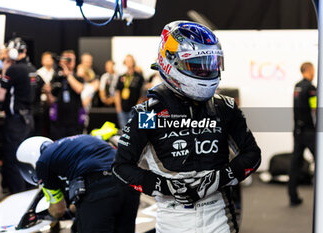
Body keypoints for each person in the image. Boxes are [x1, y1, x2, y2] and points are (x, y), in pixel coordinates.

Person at [112, 21, 261, 233]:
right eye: (197, 65)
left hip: (219, 217)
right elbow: (122, 166)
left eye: (210, 63)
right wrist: (165, 186)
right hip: (172, 220)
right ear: (169, 63)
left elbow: (252, 155)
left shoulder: (225, 108)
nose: (206, 70)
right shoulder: (148, 114)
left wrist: (218, 179)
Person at [16, 134, 140, 233]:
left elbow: (58, 210)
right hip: (130, 185)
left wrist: (42, 216)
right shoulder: (75, 145)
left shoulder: (43, 163)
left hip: (101, 188)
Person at [0, 37, 36, 194]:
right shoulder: (32, 68)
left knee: (13, 159)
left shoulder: (13, 70)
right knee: (27, 157)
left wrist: (5, 68)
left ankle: (17, 195)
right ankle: (29, 193)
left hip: (16, 122)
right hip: (28, 119)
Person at [288, 62, 316, 206]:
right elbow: (315, 108)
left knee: (295, 164)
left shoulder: (297, 86)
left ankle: (292, 196)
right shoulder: (311, 88)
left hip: (297, 131)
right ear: (309, 70)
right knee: (322, 162)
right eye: (313, 70)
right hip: (309, 132)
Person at [45, 50, 85, 140]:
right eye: (66, 59)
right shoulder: (56, 78)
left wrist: (68, 75)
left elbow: (79, 89)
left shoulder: (78, 77)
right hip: (59, 121)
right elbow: (51, 101)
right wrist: (47, 92)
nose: (68, 62)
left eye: (70, 59)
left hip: (74, 121)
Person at [114, 54, 144, 129]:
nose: (129, 62)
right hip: (122, 109)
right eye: (127, 61)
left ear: (133, 62)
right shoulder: (121, 76)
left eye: (130, 61)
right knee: (124, 131)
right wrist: (118, 108)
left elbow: (142, 94)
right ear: (124, 63)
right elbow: (117, 92)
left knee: (133, 130)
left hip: (134, 108)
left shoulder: (139, 77)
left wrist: (137, 107)